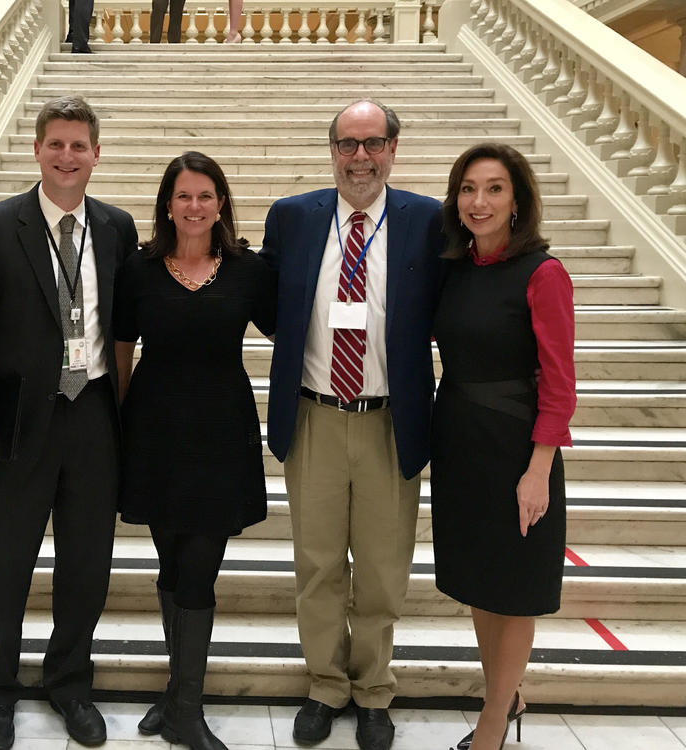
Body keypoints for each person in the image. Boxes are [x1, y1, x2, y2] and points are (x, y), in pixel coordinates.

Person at [259, 99, 444, 750]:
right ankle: (325, 685)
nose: (359, 156)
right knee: (315, 565)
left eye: (373, 142)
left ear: (395, 146)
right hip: (313, 415)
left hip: (390, 420)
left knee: (383, 569)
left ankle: (372, 691)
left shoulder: (427, 221)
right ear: (331, 149)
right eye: (346, 144)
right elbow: (269, 307)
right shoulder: (293, 217)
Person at [0, 95, 138, 750]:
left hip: (92, 416)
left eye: (79, 145)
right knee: (8, 565)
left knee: (87, 563)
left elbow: (122, 329)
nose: (67, 156)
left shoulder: (116, 227)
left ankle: (69, 681)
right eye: (55, 144)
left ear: (96, 153)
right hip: (13, 426)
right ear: (37, 150)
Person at [114, 152, 275, 750]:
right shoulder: (139, 270)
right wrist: (118, 425)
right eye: (183, 196)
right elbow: (122, 349)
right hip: (155, 433)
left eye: (205, 195)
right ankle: (176, 694)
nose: (194, 207)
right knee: (170, 563)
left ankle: (187, 706)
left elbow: (289, 329)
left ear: (222, 203)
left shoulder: (246, 271)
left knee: (200, 570)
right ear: (167, 204)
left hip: (221, 436)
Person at [432, 143, 575, 750]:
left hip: (517, 448)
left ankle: (492, 725)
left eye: (494, 188)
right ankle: (505, 694)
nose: (479, 201)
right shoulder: (456, 267)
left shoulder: (543, 273)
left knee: (514, 589)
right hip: (460, 441)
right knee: (479, 581)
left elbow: (560, 382)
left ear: (517, 200)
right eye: (468, 189)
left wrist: (538, 468)